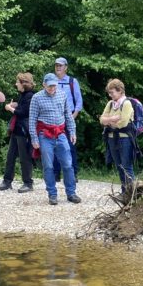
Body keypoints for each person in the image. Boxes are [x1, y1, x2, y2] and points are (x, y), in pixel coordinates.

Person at [28, 73, 81, 205]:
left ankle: (71, 193)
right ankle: (52, 194)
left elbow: (68, 115)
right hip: (44, 135)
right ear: (44, 85)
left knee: (68, 164)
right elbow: (32, 120)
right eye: (50, 85)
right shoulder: (36, 97)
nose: (52, 88)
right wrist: (34, 139)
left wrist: (72, 131)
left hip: (60, 133)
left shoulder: (62, 94)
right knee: (48, 165)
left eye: (54, 85)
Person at [0, 72, 35, 192]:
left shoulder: (30, 95)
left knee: (24, 157)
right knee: (10, 156)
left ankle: (28, 183)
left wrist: (10, 108)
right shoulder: (23, 95)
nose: (16, 84)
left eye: (17, 82)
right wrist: (16, 104)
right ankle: (7, 181)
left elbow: (23, 113)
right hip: (16, 130)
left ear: (23, 84)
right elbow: (22, 106)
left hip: (23, 130)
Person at [99, 78, 136, 194]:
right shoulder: (110, 104)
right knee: (119, 166)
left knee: (126, 166)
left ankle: (132, 193)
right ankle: (124, 192)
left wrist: (109, 122)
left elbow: (123, 123)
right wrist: (112, 119)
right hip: (112, 139)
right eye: (109, 93)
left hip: (125, 139)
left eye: (112, 92)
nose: (110, 95)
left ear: (120, 91)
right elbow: (101, 120)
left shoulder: (126, 103)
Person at [52, 57, 83, 181]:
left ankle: (73, 174)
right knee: (54, 145)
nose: (58, 68)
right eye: (56, 65)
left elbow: (79, 101)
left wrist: (73, 117)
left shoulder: (72, 81)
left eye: (60, 65)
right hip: (54, 117)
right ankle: (55, 174)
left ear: (66, 67)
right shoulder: (51, 81)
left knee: (70, 146)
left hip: (69, 115)